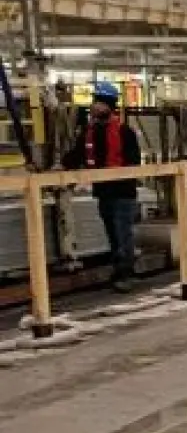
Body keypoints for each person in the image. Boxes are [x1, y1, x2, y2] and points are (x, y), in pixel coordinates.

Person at [62, 82, 142, 292]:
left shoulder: (125, 132)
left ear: (109, 105)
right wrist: (59, 166)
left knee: (122, 232)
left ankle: (127, 273)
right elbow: (77, 155)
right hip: (104, 193)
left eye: (99, 102)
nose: (94, 106)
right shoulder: (89, 132)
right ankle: (119, 269)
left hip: (123, 193)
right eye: (94, 101)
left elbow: (134, 162)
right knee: (112, 234)